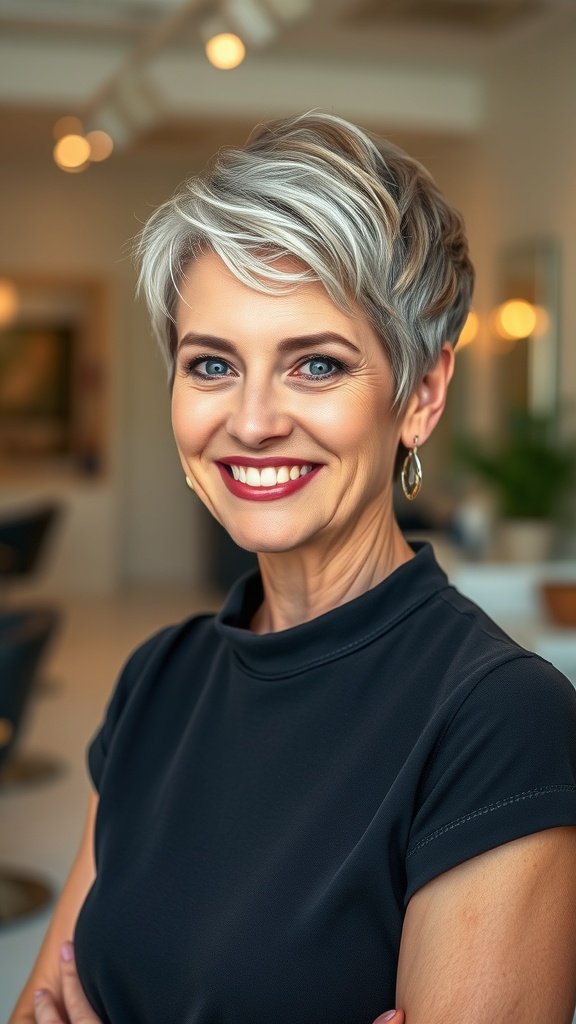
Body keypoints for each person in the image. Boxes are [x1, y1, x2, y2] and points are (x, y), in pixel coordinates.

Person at [11, 112, 576, 1024]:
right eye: (211, 365)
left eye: (316, 363)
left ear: (421, 395)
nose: (253, 419)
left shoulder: (496, 721)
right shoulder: (159, 678)